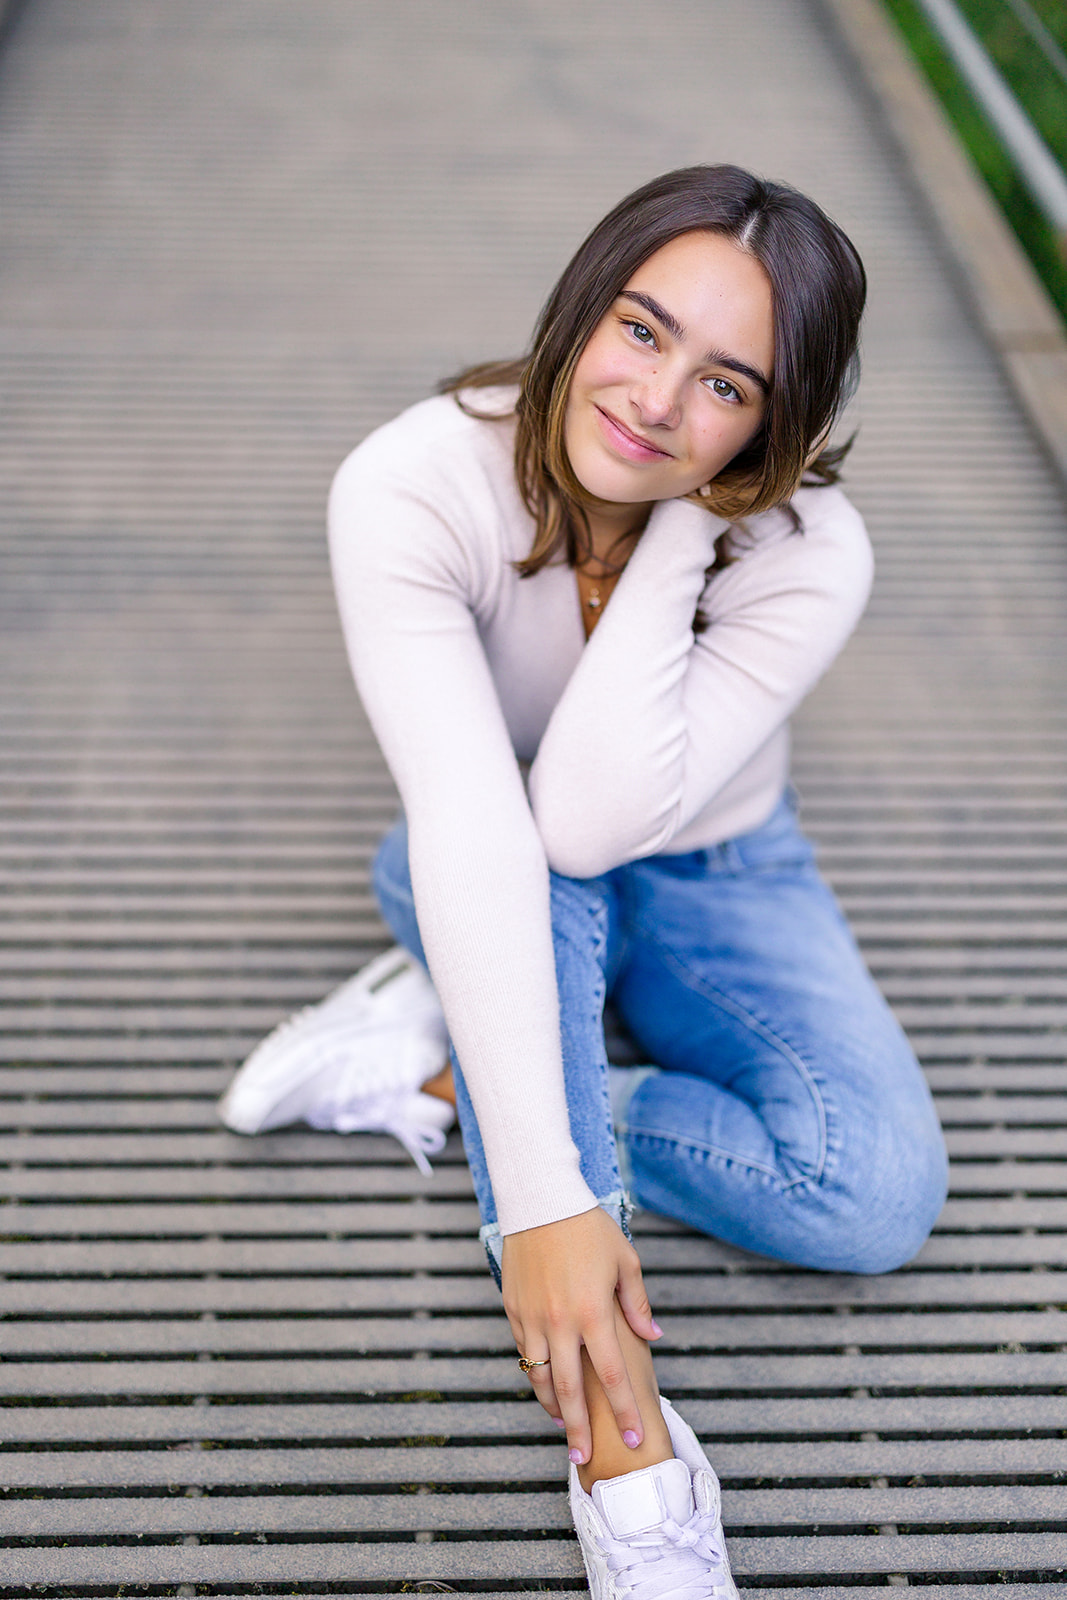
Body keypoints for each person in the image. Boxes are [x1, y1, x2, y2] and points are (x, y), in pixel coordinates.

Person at [220, 165, 949, 1598]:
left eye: (728, 386)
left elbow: (600, 810)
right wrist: (552, 1214)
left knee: (869, 1196)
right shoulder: (414, 484)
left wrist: (684, 529)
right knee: (503, 874)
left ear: (773, 430)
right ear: (582, 304)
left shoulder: (809, 547)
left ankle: (448, 1067)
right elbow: (509, 830)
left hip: (723, 868)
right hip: (487, 851)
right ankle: (632, 1464)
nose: (660, 400)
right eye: (640, 328)